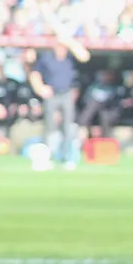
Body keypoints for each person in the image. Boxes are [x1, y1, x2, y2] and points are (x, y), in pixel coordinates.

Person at [28, 35, 92, 170]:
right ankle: (47, 157)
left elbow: (85, 56)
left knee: (68, 127)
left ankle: (66, 157)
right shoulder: (47, 58)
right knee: (50, 127)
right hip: (52, 94)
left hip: (67, 94)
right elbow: (35, 74)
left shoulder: (70, 58)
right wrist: (40, 88)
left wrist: (70, 41)